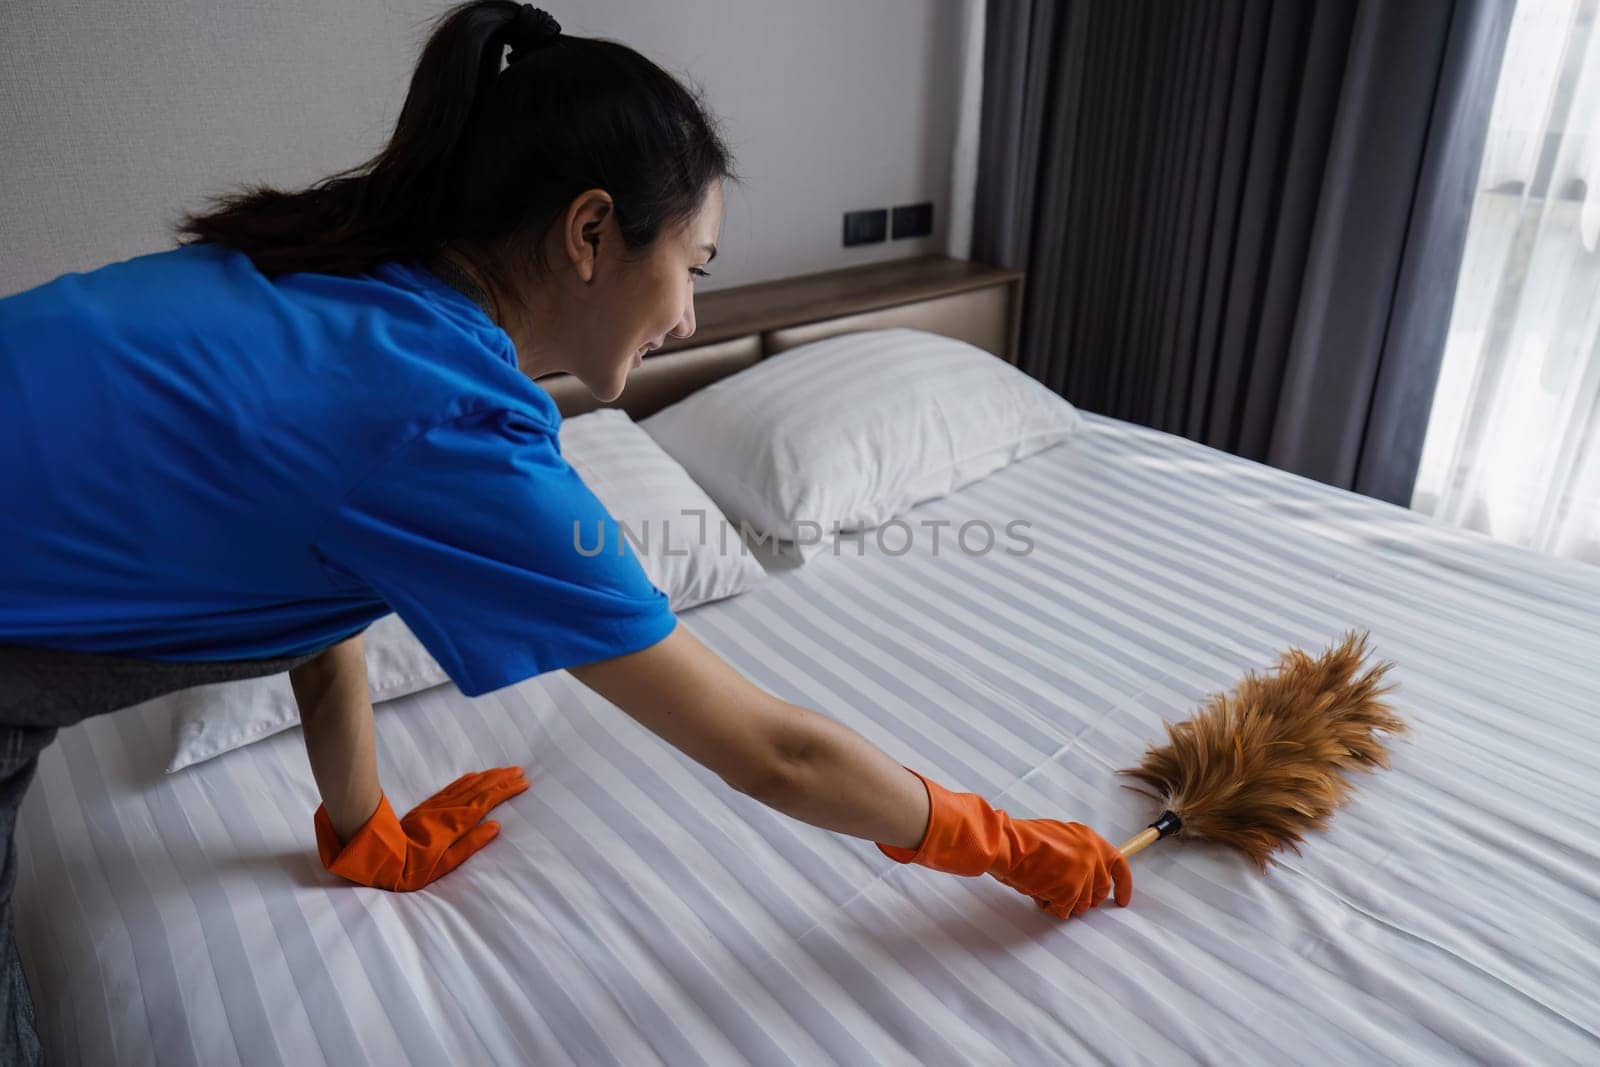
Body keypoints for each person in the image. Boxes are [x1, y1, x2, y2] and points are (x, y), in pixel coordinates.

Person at [0, 3, 1132, 1061]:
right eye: (690, 268)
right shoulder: (451, 425)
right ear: (590, 232)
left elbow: (318, 568)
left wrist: (361, 828)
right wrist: (1005, 842)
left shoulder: (347, 280)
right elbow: (771, 752)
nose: (689, 314)